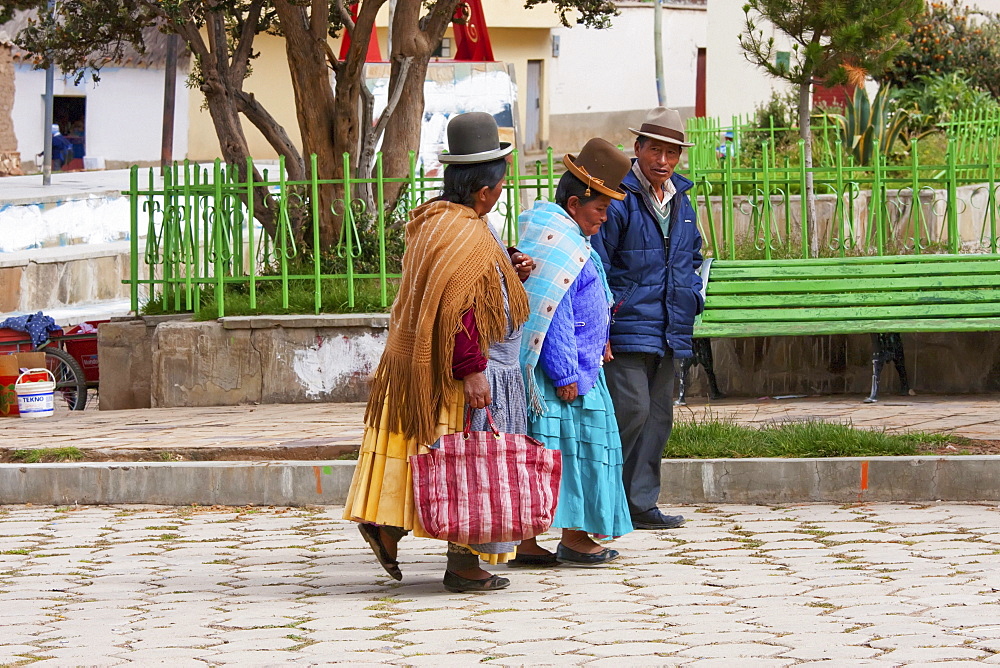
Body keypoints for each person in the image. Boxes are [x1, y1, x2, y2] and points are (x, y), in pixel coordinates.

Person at [344, 112, 535, 593]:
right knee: (466, 462)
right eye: (499, 185)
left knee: (422, 455)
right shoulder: (467, 232)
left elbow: (460, 287)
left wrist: (508, 271)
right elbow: (461, 309)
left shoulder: (437, 222)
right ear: (484, 190)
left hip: (416, 366)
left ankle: (387, 529)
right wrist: (473, 372)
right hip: (454, 371)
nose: (499, 194)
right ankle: (465, 565)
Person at [514, 138, 635, 566]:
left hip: (581, 367)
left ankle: (541, 540)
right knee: (568, 451)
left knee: (557, 453)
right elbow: (554, 312)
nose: (603, 218)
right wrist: (565, 372)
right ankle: (572, 537)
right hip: (561, 377)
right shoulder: (558, 243)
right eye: (599, 209)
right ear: (573, 201)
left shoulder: (566, 234)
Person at [592, 107, 704, 530]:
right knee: (631, 410)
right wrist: (604, 320)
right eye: (654, 149)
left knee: (658, 417)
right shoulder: (620, 197)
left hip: (671, 325)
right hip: (626, 326)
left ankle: (640, 504)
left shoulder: (681, 199)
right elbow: (600, 262)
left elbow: (691, 256)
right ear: (636, 149)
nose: (662, 160)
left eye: (671, 152)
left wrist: (693, 295)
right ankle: (607, 502)